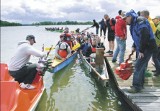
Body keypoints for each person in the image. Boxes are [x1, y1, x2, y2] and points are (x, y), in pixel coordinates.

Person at [124, 10, 158, 93]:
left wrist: (141, 50)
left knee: (138, 66)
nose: (125, 20)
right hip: (143, 47)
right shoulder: (133, 23)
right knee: (141, 66)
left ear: (130, 16)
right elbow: (137, 37)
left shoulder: (140, 21)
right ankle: (140, 85)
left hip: (148, 46)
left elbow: (145, 35)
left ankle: (136, 87)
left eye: (126, 18)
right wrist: (134, 46)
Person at [141, 10, 160, 76]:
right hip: (155, 44)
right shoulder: (154, 24)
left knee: (155, 58)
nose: (154, 20)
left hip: (156, 44)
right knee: (156, 58)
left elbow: (153, 35)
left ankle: (158, 70)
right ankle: (157, 69)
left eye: (155, 19)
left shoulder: (153, 24)